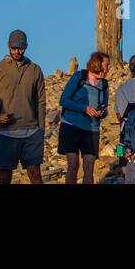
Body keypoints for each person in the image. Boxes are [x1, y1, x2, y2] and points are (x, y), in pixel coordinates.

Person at [0, 29, 46, 184]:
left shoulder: (35, 70)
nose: (17, 51)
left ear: (26, 46)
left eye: (20, 48)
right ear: (8, 45)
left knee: (35, 175)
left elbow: (41, 102)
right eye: (14, 48)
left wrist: (41, 129)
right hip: (5, 133)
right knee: (5, 177)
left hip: (32, 132)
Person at [58, 51, 110, 184]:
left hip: (92, 129)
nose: (108, 67)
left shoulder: (104, 84)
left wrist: (102, 112)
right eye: (106, 64)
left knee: (89, 166)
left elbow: (105, 107)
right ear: (98, 64)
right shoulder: (79, 77)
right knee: (73, 164)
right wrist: (84, 108)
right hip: (71, 125)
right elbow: (63, 100)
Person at [113, 53, 135, 182]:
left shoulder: (121, 88)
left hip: (124, 128)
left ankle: (124, 176)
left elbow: (117, 114)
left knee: (121, 150)